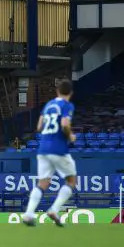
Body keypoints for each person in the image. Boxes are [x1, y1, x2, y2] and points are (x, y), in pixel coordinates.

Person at [22, 79, 77, 227]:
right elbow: (65, 124)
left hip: (43, 148)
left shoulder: (48, 105)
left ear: (57, 91)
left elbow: (39, 126)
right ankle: (54, 209)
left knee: (42, 183)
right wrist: (70, 135)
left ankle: (28, 214)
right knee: (71, 181)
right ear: (71, 93)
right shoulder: (67, 105)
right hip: (58, 149)